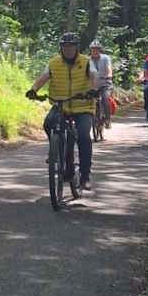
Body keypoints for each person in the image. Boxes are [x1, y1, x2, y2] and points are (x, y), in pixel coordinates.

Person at [27, 30, 97, 188]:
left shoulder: (86, 61)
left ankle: (85, 175)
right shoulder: (53, 63)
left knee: (83, 135)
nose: (68, 49)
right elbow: (43, 78)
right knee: (48, 123)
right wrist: (34, 90)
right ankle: (58, 149)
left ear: (77, 47)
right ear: (61, 48)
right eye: (65, 46)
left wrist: (93, 89)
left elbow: (94, 76)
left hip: (83, 107)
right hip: (61, 105)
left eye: (71, 46)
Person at [88, 38, 114, 130]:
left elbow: (108, 68)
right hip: (93, 84)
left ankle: (107, 118)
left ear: (99, 50)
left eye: (97, 49)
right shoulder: (87, 60)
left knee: (105, 98)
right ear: (90, 50)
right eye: (93, 49)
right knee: (88, 99)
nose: (95, 51)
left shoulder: (105, 58)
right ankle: (91, 119)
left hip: (104, 82)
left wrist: (109, 75)